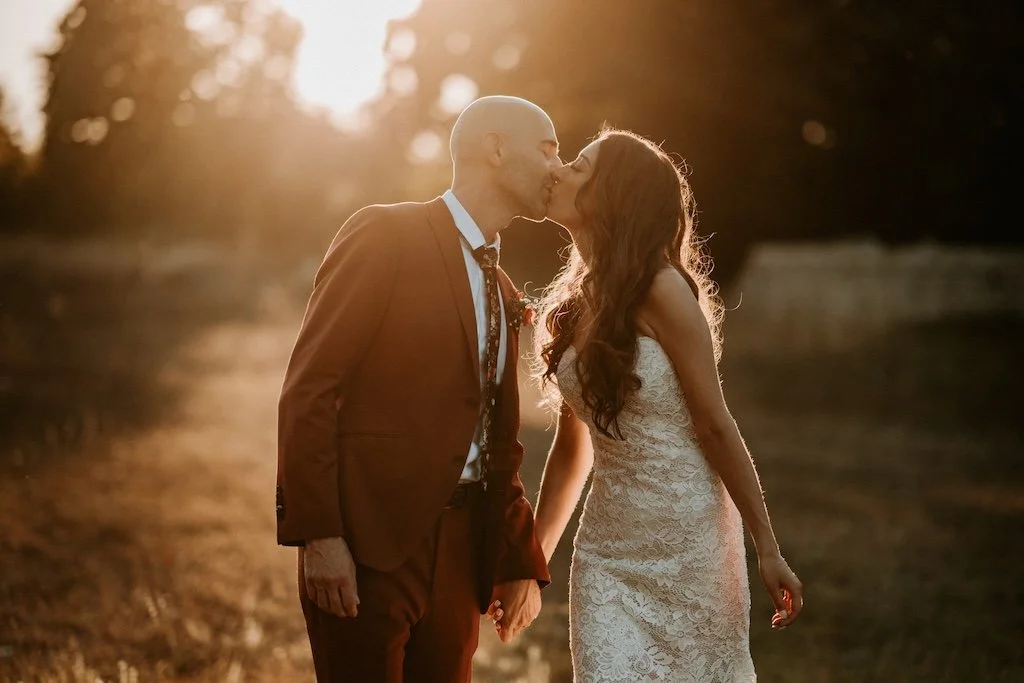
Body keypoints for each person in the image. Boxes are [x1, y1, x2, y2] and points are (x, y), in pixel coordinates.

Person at [275, 95, 559, 682]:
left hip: (460, 555)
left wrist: (518, 559)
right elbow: (311, 388)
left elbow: (496, 438)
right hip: (369, 546)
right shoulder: (386, 233)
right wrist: (320, 534)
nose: (558, 167)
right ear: (496, 148)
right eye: (547, 149)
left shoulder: (503, 286)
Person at [531, 127, 804, 681]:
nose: (559, 171)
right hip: (605, 556)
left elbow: (715, 425)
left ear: (613, 194)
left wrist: (768, 547)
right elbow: (572, 449)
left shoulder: (662, 290)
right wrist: (529, 563)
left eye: (578, 167)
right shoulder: (575, 304)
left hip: (690, 543)